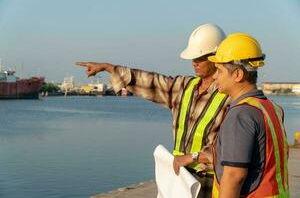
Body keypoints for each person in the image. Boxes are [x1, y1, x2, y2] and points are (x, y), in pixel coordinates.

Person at [76, 23, 230, 197]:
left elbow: (233, 147)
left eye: (200, 57)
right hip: (180, 176)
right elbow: (151, 81)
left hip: (209, 181)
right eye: (192, 58)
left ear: (217, 57)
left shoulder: (229, 96)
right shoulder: (184, 86)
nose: (194, 62)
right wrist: (109, 68)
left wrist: (194, 157)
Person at [209, 33, 289, 198]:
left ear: (238, 74)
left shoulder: (241, 114)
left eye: (219, 70)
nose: (214, 76)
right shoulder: (271, 108)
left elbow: (234, 176)